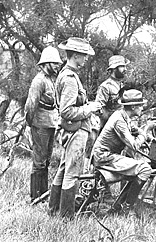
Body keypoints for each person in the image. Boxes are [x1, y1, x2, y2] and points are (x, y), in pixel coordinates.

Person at [48, 37, 102, 220]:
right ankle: (66, 217)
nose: (86, 59)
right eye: (84, 55)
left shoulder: (66, 74)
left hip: (72, 130)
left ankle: (53, 210)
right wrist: (90, 109)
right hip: (76, 131)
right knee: (72, 173)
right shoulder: (70, 78)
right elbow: (66, 111)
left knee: (64, 169)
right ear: (76, 55)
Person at [92, 89, 156, 216]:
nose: (142, 108)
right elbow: (134, 146)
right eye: (140, 105)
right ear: (133, 107)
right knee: (144, 169)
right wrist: (146, 130)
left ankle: (118, 206)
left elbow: (133, 130)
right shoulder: (119, 121)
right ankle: (127, 208)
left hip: (107, 155)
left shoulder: (122, 115)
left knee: (139, 169)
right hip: (105, 157)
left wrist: (150, 137)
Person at [24, 46, 63, 203]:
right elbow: (30, 106)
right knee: (39, 163)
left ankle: (43, 195)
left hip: (49, 125)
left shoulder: (50, 80)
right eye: (54, 63)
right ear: (46, 63)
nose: (57, 66)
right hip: (40, 126)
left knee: (46, 161)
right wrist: (29, 125)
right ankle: (35, 197)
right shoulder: (39, 81)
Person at [95, 55, 130, 130]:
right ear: (114, 69)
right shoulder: (105, 87)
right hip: (109, 129)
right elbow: (99, 110)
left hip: (123, 126)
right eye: (122, 67)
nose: (125, 69)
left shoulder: (122, 85)